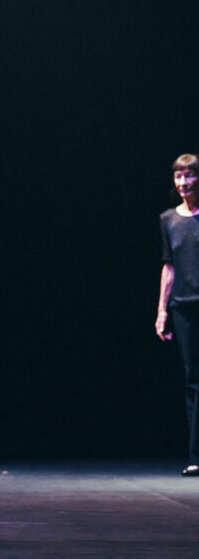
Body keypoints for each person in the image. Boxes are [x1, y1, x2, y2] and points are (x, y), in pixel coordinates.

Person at [156, 153, 199, 476]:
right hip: (183, 306)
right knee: (192, 380)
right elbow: (168, 265)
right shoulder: (168, 219)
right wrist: (161, 311)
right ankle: (195, 455)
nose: (183, 183)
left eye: (189, 176)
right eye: (178, 177)